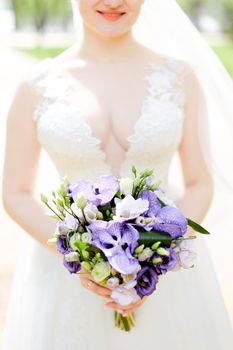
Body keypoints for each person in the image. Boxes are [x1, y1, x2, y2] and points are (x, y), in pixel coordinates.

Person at [2, 0, 233, 349]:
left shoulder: (178, 76)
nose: (112, 2)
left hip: (164, 277)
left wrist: (153, 260)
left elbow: (200, 183)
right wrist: (81, 256)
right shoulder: (36, 85)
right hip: (65, 276)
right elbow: (15, 192)